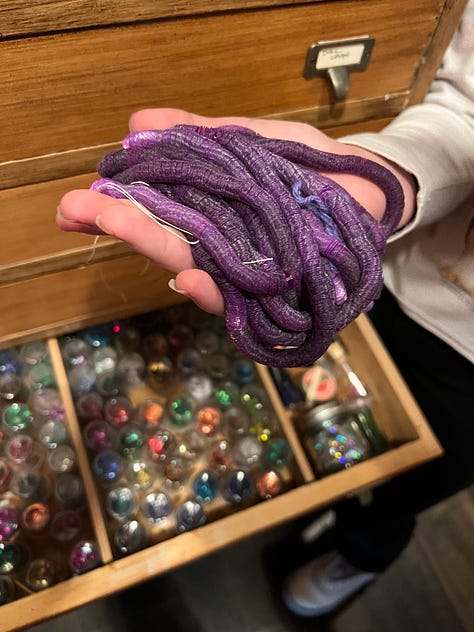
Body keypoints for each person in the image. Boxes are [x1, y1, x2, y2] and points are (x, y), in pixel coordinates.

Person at [57, 0, 473, 618]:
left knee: (409, 481)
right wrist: (396, 180)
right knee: (350, 406)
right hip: (400, 270)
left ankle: (359, 553)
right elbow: (464, 108)